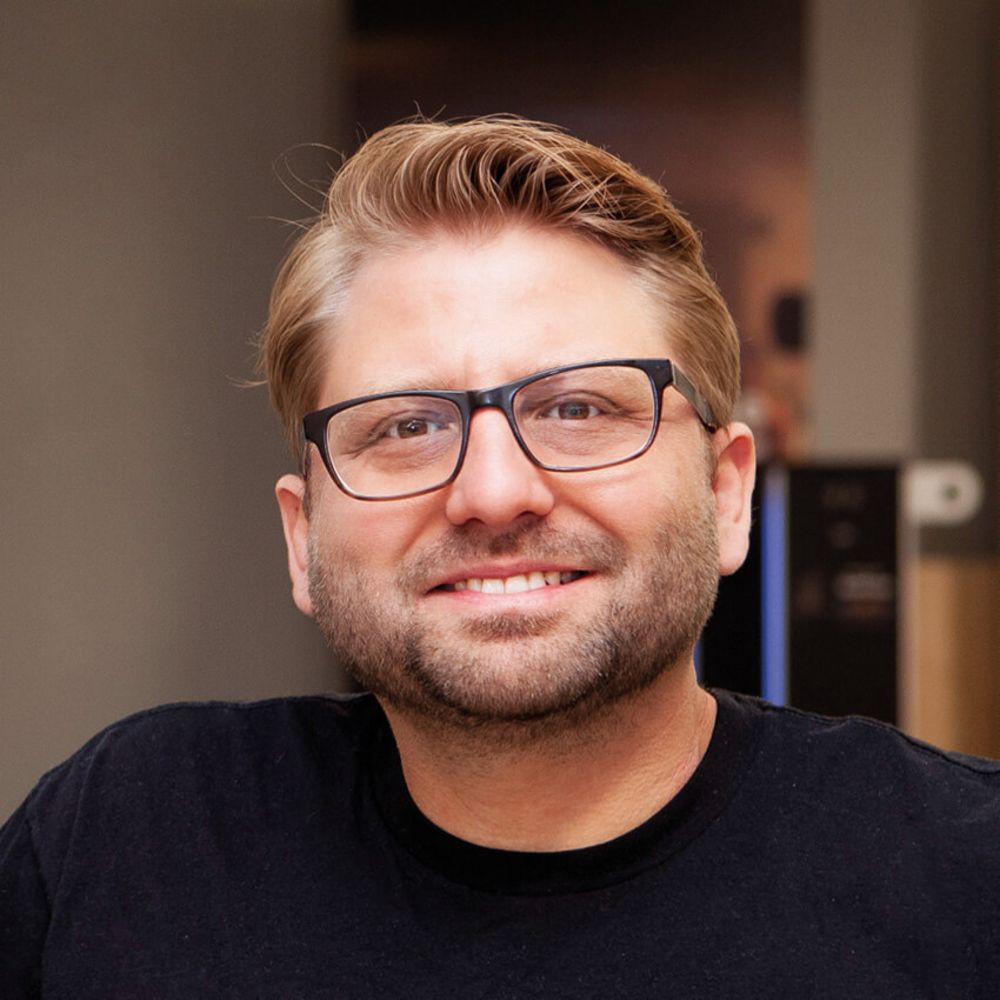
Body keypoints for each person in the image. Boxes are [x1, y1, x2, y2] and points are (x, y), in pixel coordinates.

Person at [1, 116, 997, 998]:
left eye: (578, 408)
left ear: (725, 492)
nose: (491, 491)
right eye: (405, 426)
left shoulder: (966, 880)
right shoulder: (127, 838)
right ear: (301, 539)